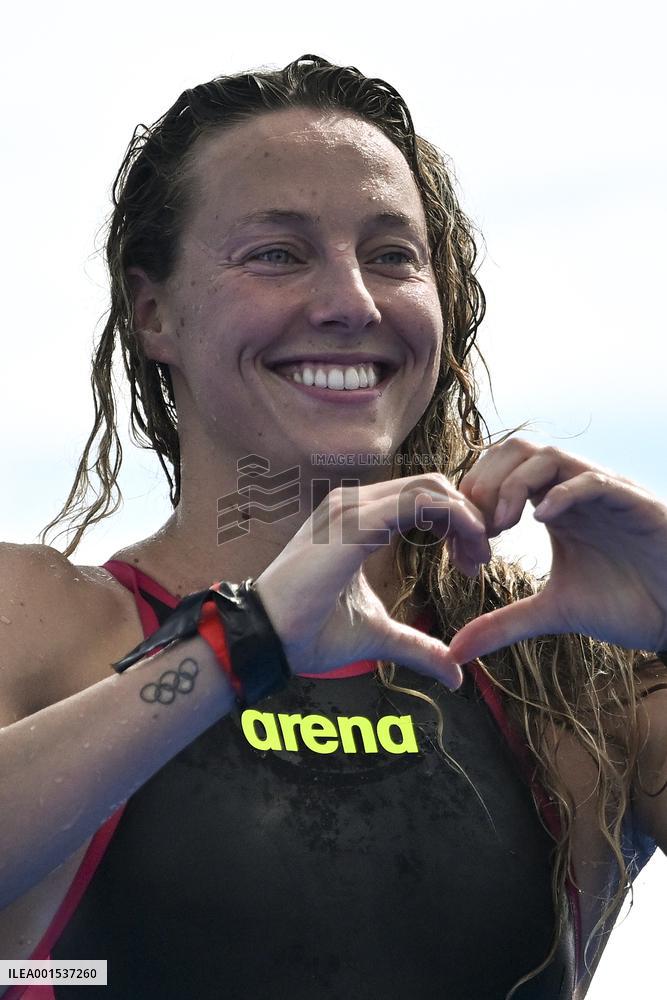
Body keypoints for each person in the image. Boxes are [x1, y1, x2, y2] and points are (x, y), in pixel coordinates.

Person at [0, 53, 665, 1000]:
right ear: (154, 312)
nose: (351, 302)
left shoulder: (561, 674)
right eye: (277, 252)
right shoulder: (38, 621)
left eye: (393, 255)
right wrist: (245, 644)